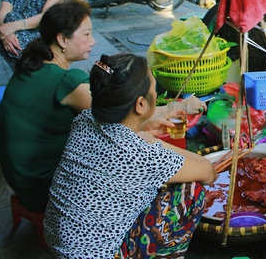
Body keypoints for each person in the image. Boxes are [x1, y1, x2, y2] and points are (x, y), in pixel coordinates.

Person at [44, 53, 216, 258]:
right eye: (153, 89)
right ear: (141, 104)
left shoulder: (83, 119)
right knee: (191, 192)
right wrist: (151, 140)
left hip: (58, 242)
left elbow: (123, 133)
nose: (155, 93)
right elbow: (208, 172)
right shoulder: (139, 154)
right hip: (100, 255)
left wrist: (143, 130)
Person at [0, 0, 95, 212]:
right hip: (45, 191)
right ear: (62, 39)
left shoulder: (30, 65)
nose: (92, 41)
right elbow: (122, 120)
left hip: (21, 182)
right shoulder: (68, 81)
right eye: (86, 34)